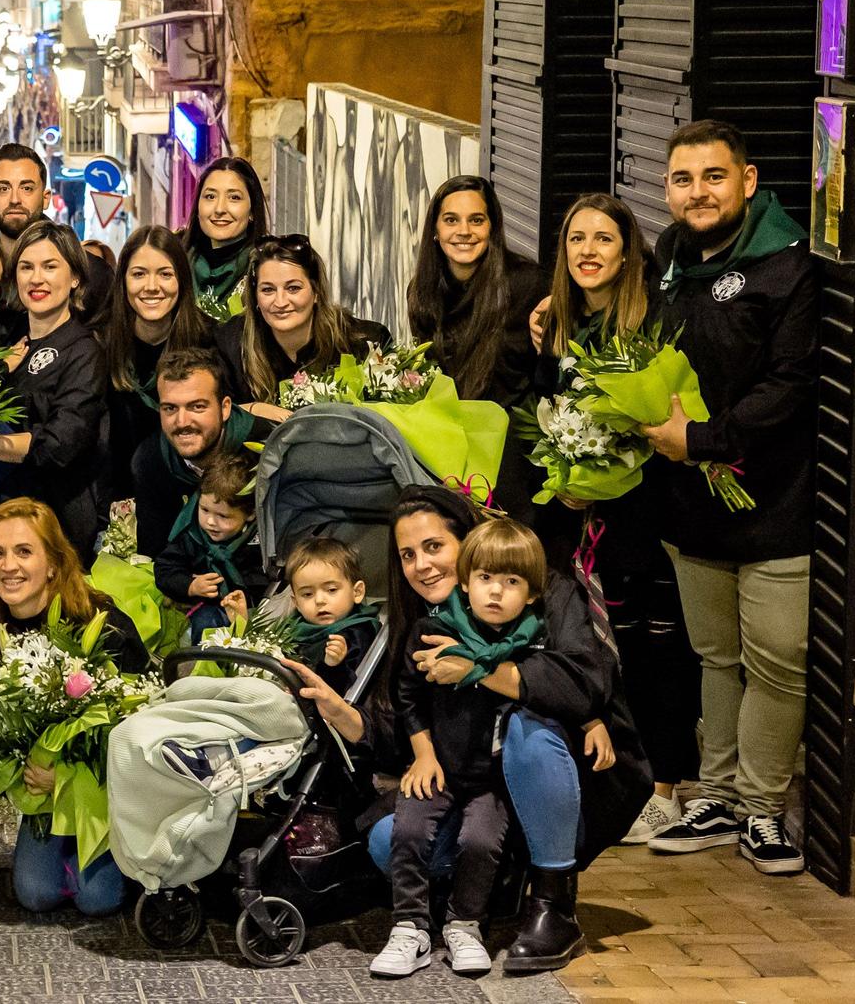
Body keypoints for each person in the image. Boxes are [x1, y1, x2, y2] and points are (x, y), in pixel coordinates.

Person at [285, 486, 651, 974]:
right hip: (467, 785)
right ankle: (481, 891)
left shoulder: (543, 588)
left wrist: (478, 671)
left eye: (434, 547)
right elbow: (405, 724)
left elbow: (584, 683)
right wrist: (342, 712)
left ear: (469, 540)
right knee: (385, 839)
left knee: (529, 730)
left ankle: (553, 905)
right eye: (408, 554)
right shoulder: (420, 620)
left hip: (556, 785)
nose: (421, 565)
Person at [638, 120, 818, 875]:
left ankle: (765, 809)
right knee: (714, 656)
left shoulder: (787, 266)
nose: (698, 192)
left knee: (778, 658)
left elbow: (791, 385)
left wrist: (704, 443)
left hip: (773, 506)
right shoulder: (672, 258)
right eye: (683, 179)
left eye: (714, 176)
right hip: (692, 508)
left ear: (747, 181)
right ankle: (714, 796)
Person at [532, 193, 700, 843]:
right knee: (610, 651)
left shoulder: (651, 326)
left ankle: (666, 784)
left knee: (658, 653)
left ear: (629, 252)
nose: (589, 251)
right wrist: (569, 479)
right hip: (586, 524)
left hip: (648, 518)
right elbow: (548, 413)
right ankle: (625, 776)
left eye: (604, 239)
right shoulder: (560, 327)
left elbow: (662, 420)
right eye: (578, 239)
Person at [376, 518, 551, 979]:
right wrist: (423, 754)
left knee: (480, 842)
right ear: (467, 580)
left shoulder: (533, 644)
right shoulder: (432, 630)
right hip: (440, 767)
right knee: (409, 829)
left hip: (493, 780)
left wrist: (594, 721)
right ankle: (409, 926)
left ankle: (464, 924)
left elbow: (555, 693)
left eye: (511, 582)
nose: (495, 592)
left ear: (532, 594)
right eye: (485, 579)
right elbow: (407, 696)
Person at [0, 499, 148, 915]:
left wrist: (64, 776)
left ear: (52, 563)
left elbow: (136, 735)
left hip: (104, 791)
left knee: (98, 901)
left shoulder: (102, 624)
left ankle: (128, 855)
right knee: (36, 895)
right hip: (42, 795)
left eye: (24, 551)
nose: (8, 566)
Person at [0, 220, 109, 555]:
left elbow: (58, 445)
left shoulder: (84, 352)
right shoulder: (7, 338)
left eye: (50, 266)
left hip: (52, 523)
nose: (36, 279)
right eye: (26, 267)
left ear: (75, 277)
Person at [407, 175, 547, 408]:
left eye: (476, 220)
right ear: (435, 230)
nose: (464, 231)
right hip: (451, 431)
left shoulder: (529, 284)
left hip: (516, 434)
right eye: (451, 220)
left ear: (492, 227)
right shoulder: (422, 292)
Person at [222, 234, 390, 420]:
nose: (280, 302)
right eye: (268, 290)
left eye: (293, 288)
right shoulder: (230, 344)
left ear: (316, 292)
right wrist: (254, 409)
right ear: (255, 298)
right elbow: (208, 413)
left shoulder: (365, 341)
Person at [100, 226, 215, 496]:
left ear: (182, 280)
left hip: (193, 502)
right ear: (123, 281)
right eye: (139, 274)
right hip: (118, 503)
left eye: (165, 274)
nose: (152, 287)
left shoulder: (209, 341)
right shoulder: (101, 344)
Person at [130, 348, 254, 550]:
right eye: (170, 408)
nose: (182, 422)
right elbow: (155, 550)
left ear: (225, 408)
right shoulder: (151, 460)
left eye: (197, 407)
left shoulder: (261, 450)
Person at [152, 453, 256, 640]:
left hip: (253, 614)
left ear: (250, 514)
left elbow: (266, 583)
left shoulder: (258, 544)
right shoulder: (193, 536)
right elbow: (164, 568)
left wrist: (243, 606)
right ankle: (203, 665)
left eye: (223, 516)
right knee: (205, 620)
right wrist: (190, 586)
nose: (210, 522)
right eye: (204, 509)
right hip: (211, 610)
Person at [282, 536, 378, 696]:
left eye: (331, 590)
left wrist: (334, 666)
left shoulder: (359, 632)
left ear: (357, 592)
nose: (319, 600)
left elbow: (349, 692)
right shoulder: (291, 627)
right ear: (296, 602)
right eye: (307, 594)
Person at [184, 156, 269, 320]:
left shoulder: (264, 269)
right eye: (210, 196)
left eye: (234, 198)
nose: (219, 209)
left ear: (252, 211)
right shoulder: (177, 262)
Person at [0, 143, 49, 261]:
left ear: (45, 199)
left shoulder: (73, 261)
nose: (15, 200)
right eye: (3, 189)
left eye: (26, 189)